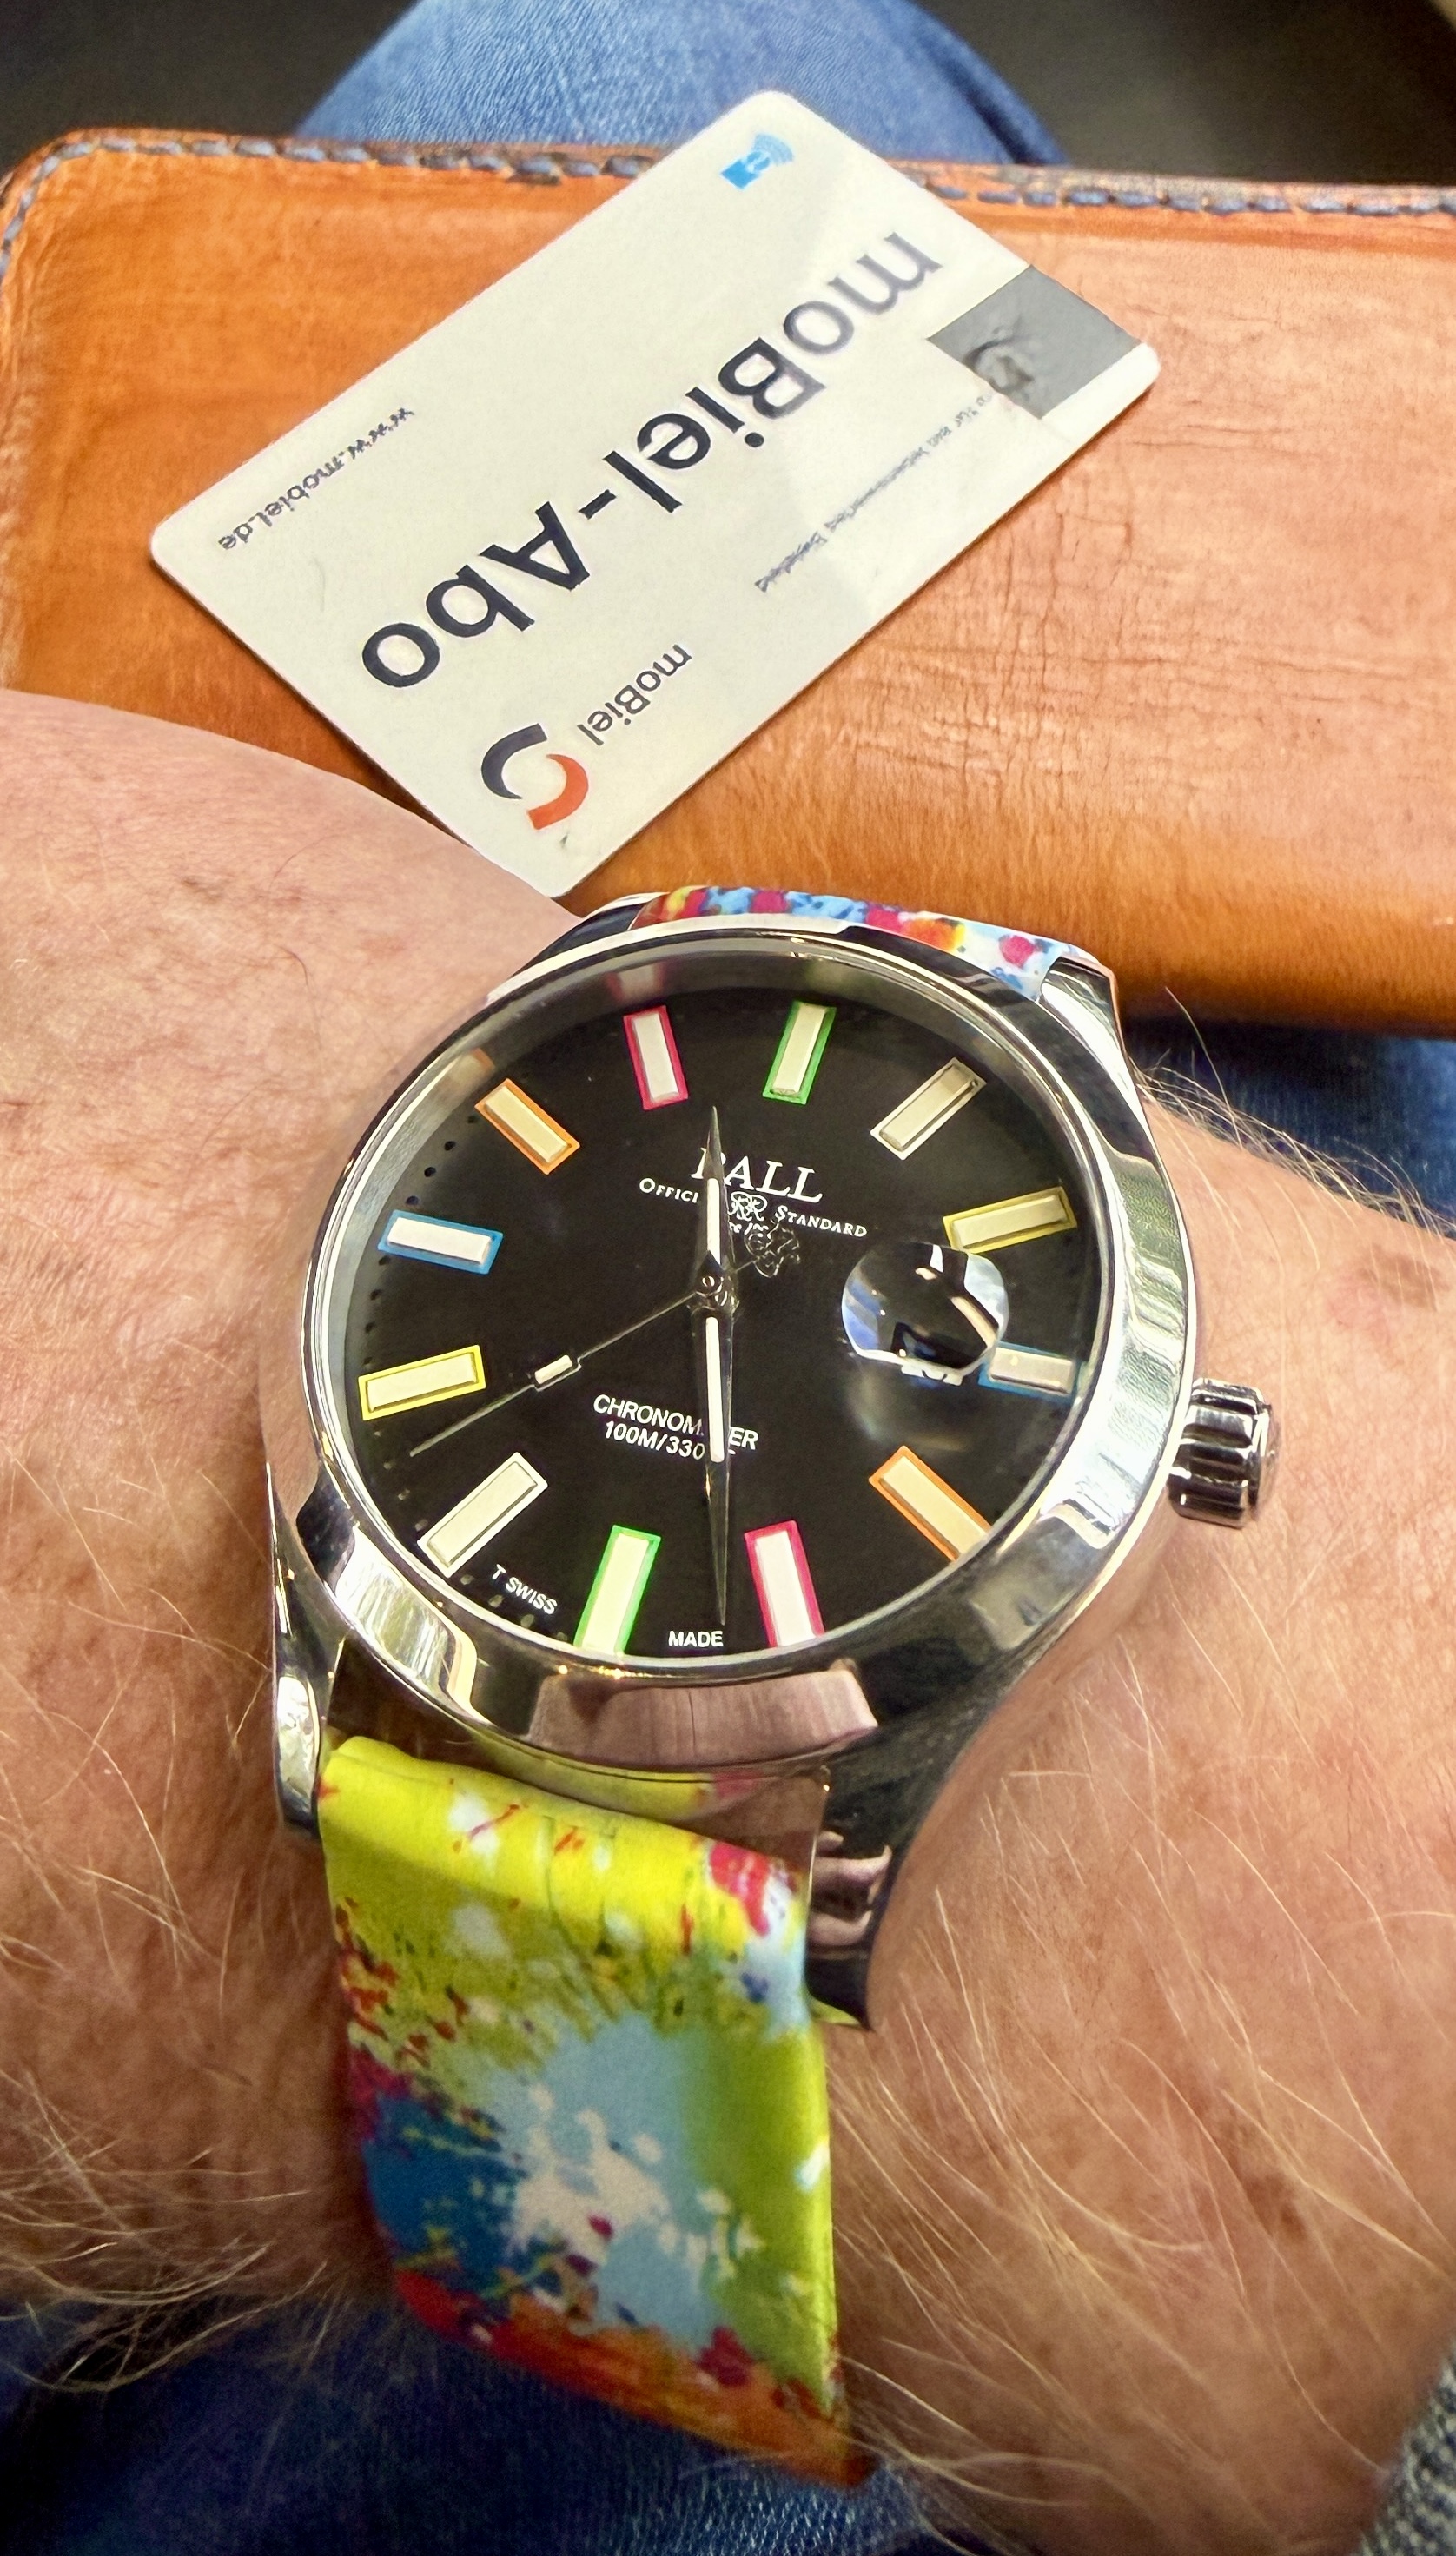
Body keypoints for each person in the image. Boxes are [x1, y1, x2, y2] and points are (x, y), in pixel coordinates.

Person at [1, 9, 1453, 2554]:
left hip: (779, 1807)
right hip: (467, 1586)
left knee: (612, 48)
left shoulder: (911, 1754)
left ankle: (604, 2264)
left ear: (1180, 1447)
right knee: (637, 50)